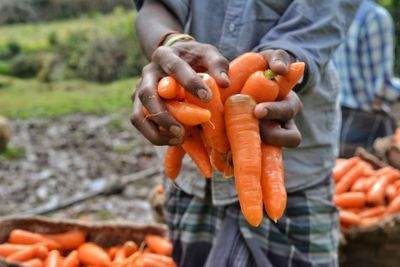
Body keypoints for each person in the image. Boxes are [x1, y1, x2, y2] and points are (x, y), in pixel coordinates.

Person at [131, 1, 360, 266]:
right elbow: (155, 7)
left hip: (295, 175)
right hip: (190, 175)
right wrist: (171, 44)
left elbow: (324, 15)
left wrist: (282, 68)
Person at [333, 0, 400, 158]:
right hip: (366, 129)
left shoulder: (336, 14)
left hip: (338, 123)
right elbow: (381, 90)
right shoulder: (375, 17)